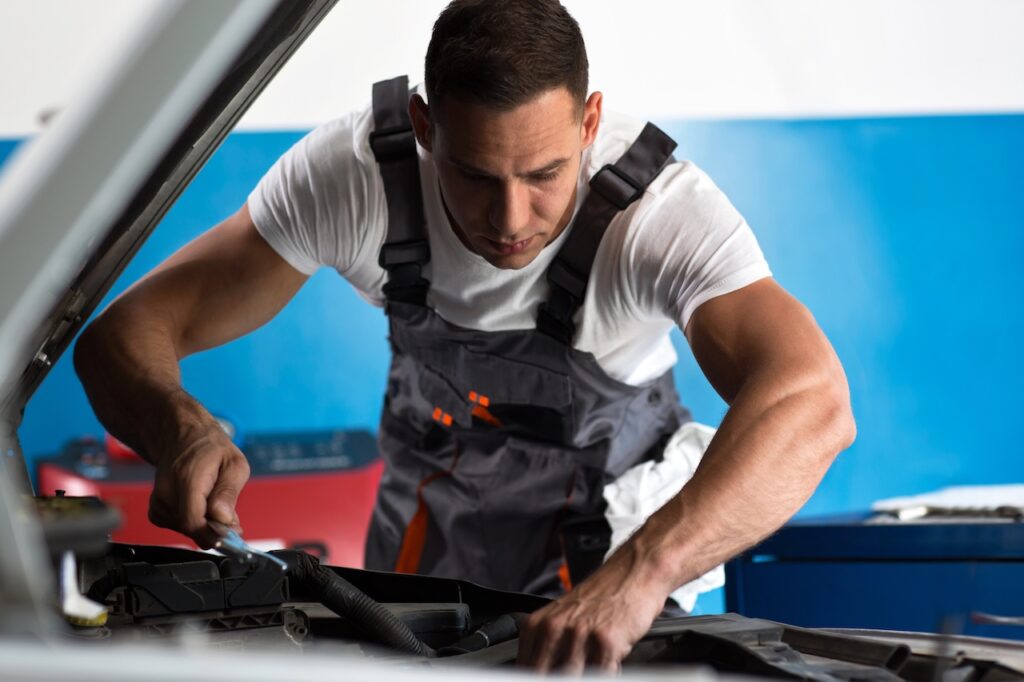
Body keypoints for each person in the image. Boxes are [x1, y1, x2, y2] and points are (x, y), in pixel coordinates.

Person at [74, 0, 855, 673]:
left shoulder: (660, 214)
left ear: (588, 123)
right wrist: (178, 430)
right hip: (426, 550)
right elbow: (122, 336)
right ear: (423, 126)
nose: (512, 220)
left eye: (546, 173)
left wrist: (642, 575)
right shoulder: (353, 178)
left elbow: (812, 400)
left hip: (611, 562)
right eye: (477, 177)